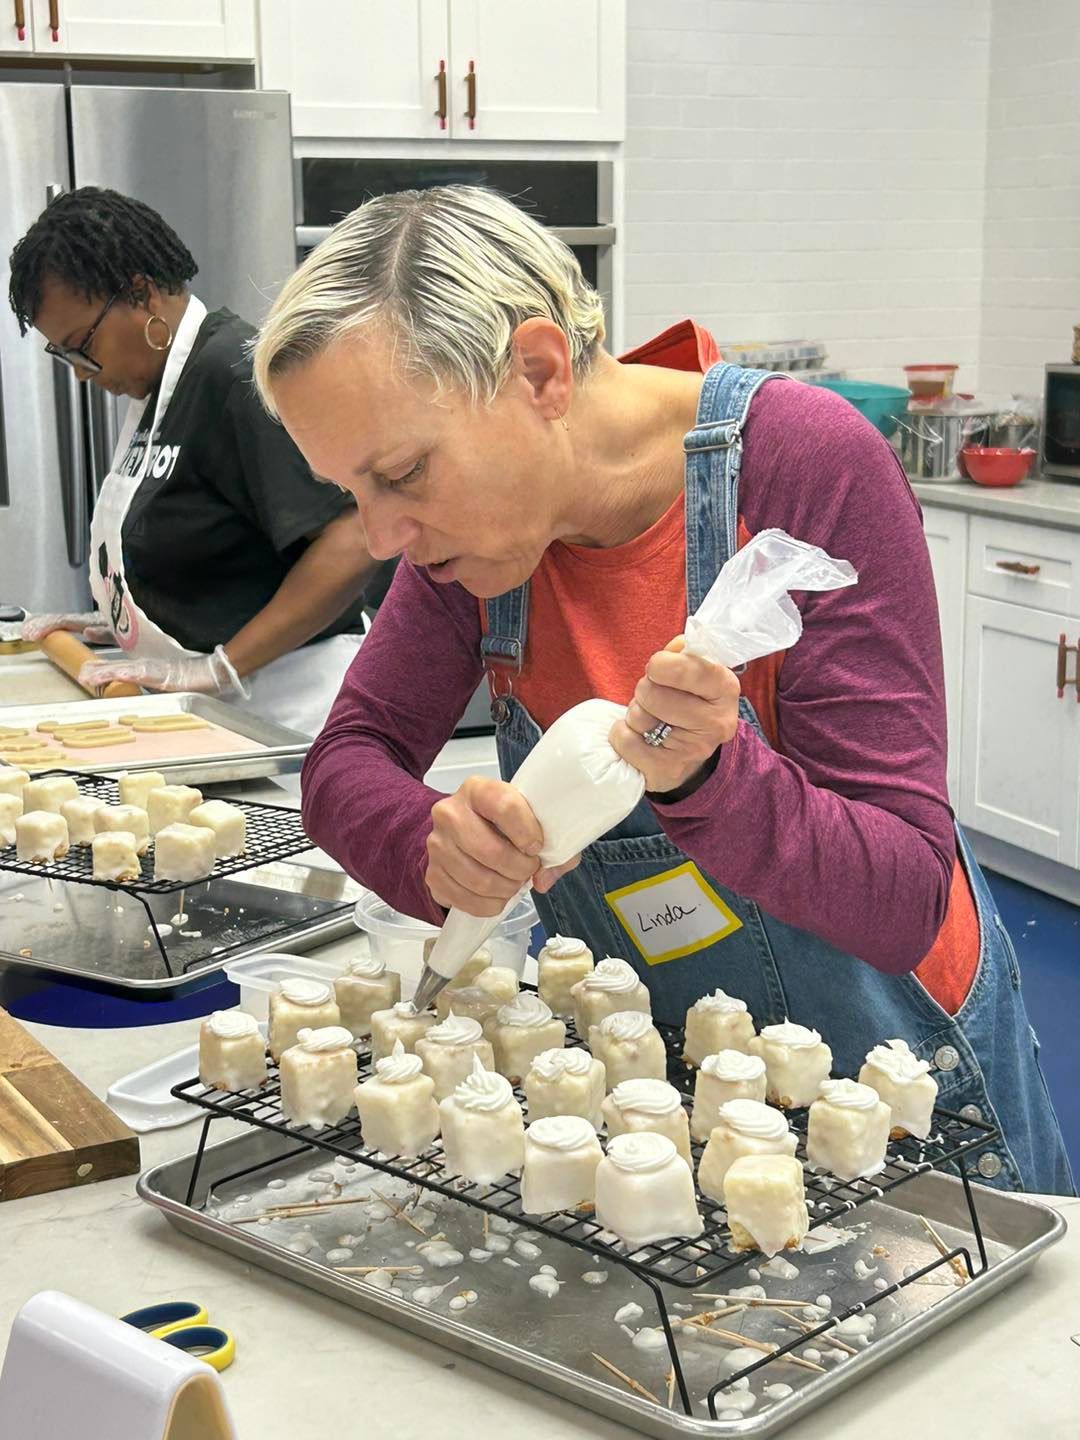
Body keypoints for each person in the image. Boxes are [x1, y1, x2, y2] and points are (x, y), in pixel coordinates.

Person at [252, 184, 1072, 1195]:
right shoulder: (474, 546)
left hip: (897, 1087)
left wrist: (716, 784)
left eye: (404, 473)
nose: (380, 540)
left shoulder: (805, 467)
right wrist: (429, 844)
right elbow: (345, 764)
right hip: (662, 1097)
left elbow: (904, 896)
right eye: (353, 494)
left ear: (541, 373)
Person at [9, 186, 386, 736]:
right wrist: (114, 623)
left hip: (295, 709)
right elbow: (207, 554)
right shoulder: (156, 388)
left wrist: (220, 667)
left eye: (80, 344)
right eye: (62, 354)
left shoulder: (231, 375)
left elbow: (352, 540)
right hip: (219, 714)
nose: (80, 370)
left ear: (140, 296)